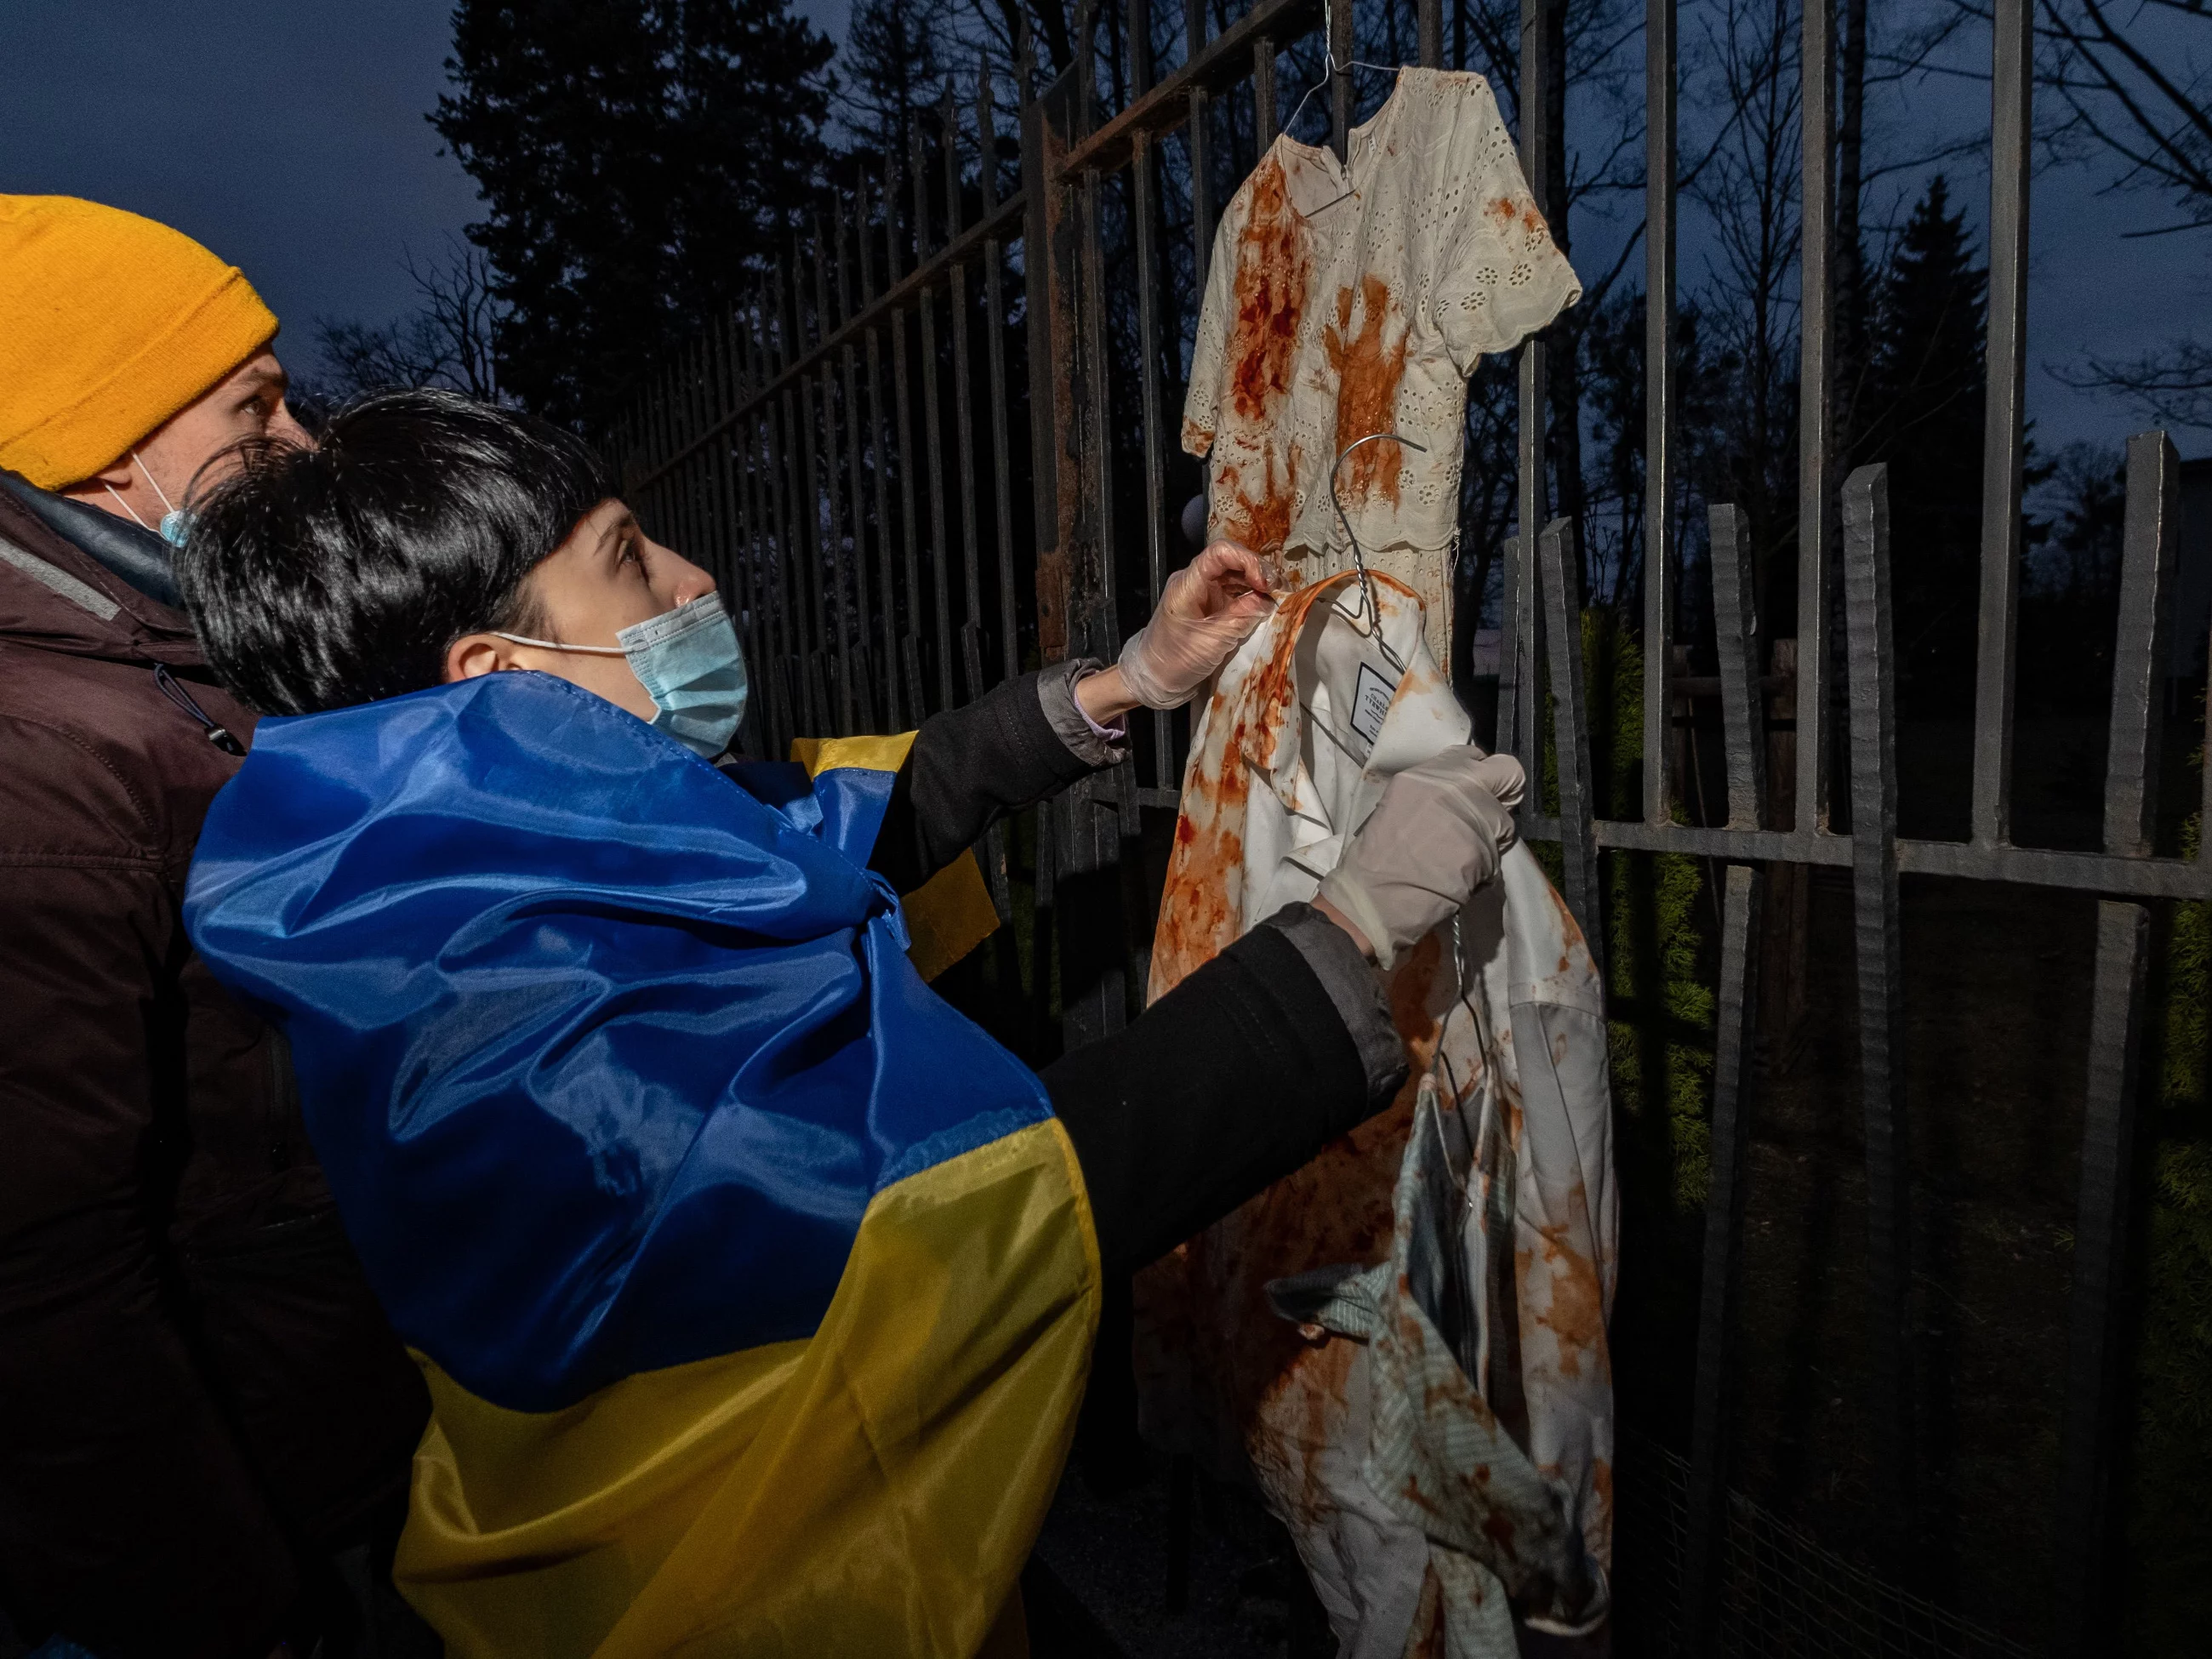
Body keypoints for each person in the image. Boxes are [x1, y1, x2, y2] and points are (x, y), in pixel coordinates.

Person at [174, 390, 1526, 1656]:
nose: (694, 581)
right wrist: (1355, 919)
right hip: (721, 1591)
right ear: (500, 665)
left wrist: (1127, 682)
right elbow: (962, 1213)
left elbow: (818, 824)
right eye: (629, 558)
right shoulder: (526, 1033)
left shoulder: (461, 853)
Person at [0, 196, 430, 1657]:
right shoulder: (40, 755)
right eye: (254, 403)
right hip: (226, 1501)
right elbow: (45, 1284)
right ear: (113, 447)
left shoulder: (160, 646)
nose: (300, 440)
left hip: (306, 1398)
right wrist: (235, 1609)